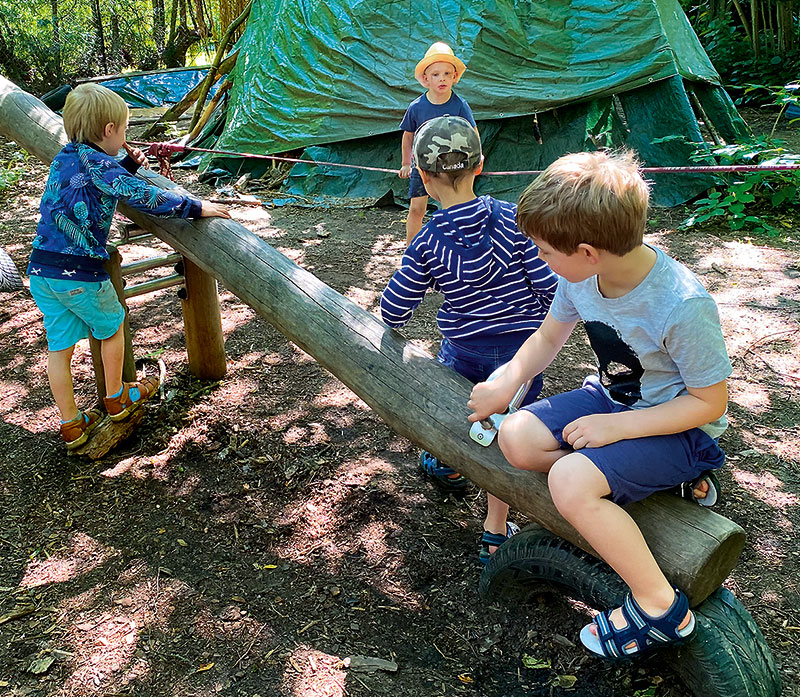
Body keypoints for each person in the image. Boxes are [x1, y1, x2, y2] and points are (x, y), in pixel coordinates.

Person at [467, 150, 732, 658]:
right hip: (612, 398)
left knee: (570, 480)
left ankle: (660, 608)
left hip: (680, 429)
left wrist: (616, 433)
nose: (540, 258)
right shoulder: (580, 277)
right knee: (516, 437)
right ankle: (620, 482)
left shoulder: (682, 303)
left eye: (544, 251)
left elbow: (708, 403)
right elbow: (547, 338)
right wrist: (507, 382)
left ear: (587, 251)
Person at [381, 115, 557, 562]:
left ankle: (450, 465)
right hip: (523, 356)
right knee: (507, 427)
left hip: (464, 349)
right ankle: (495, 530)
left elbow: (394, 309)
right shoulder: (514, 221)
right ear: (480, 165)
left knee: (466, 411)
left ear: (422, 176)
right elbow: (549, 287)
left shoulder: (427, 239)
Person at [26, 83, 231, 450]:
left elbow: (92, 181)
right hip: (80, 272)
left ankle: (71, 424)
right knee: (112, 327)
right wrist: (194, 206)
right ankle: (117, 397)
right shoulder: (100, 163)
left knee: (59, 348)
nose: (124, 137)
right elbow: (142, 195)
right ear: (109, 131)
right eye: (123, 131)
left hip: (42, 270)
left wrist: (128, 164)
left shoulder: (65, 156)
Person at [398, 42, 478, 246]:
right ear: (425, 79)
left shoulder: (460, 105)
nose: (441, 78)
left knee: (451, 208)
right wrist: (406, 163)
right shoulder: (416, 107)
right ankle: (411, 250)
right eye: (435, 74)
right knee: (417, 208)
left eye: (447, 73)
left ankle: (453, 248)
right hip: (422, 166)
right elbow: (408, 136)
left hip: (452, 166)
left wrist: (478, 158)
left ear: (454, 77)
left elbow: (472, 133)